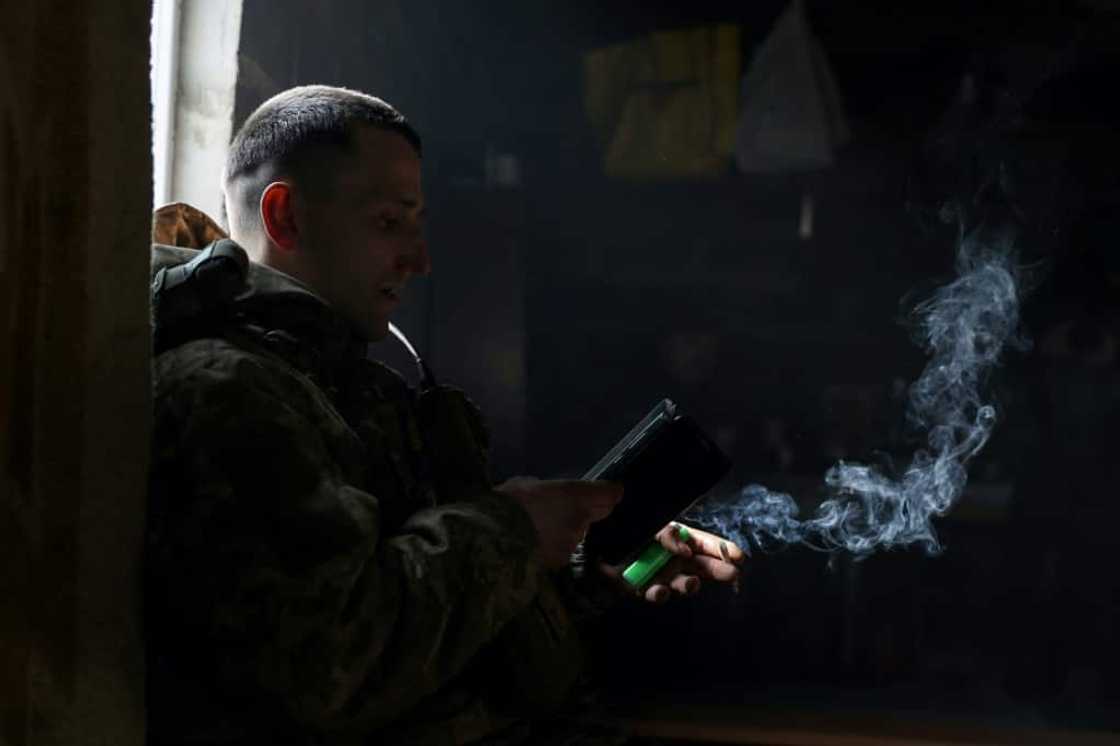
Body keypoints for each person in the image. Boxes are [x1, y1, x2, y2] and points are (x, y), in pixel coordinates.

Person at [146, 84, 744, 746]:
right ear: (286, 217)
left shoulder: (343, 385)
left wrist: (585, 567)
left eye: (417, 222)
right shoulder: (227, 390)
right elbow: (333, 666)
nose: (419, 259)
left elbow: (431, 625)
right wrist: (513, 530)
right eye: (388, 222)